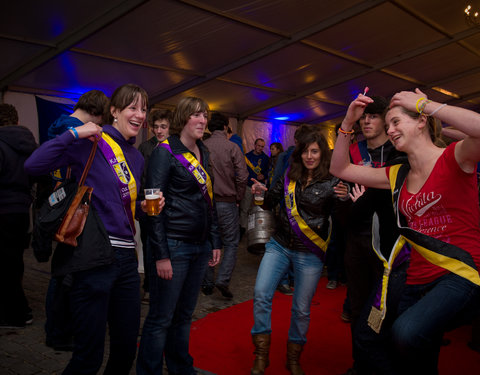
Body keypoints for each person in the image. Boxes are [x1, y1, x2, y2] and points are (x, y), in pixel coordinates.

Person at [330, 88, 480, 374]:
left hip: (460, 273)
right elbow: (340, 168)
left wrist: (426, 104)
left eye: (397, 122)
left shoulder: (455, 157)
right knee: (397, 344)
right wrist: (347, 124)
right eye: (388, 125)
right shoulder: (397, 174)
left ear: (421, 121)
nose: (391, 129)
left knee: (406, 333)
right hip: (415, 276)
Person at [25, 83, 164, 375]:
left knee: (126, 349)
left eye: (143, 109)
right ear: (113, 111)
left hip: (127, 261)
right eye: (132, 107)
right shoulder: (91, 141)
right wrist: (74, 132)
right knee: (89, 356)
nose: (139, 115)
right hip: (93, 258)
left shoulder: (137, 156)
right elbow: (33, 165)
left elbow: (129, 208)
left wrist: (149, 207)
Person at [250, 127, 348, 375]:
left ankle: (293, 358)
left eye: (314, 151)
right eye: (305, 151)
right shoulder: (288, 175)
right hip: (279, 245)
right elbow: (271, 202)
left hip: (310, 253)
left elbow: (343, 220)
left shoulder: (332, 181)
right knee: (261, 294)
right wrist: (261, 193)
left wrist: (345, 200)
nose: (310, 156)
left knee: (301, 309)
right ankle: (261, 354)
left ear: (322, 153)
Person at [137, 97, 222, 375]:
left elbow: (209, 200)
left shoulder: (203, 151)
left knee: (184, 316)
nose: (202, 121)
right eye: (197, 115)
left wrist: (215, 240)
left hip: (199, 246)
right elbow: (152, 207)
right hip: (173, 245)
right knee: (161, 318)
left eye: (205, 116)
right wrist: (160, 254)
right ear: (184, 118)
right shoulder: (165, 152)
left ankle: (180, 367)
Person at [44, 89, 108, 350]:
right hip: (74, 206)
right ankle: (59, 333)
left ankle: (57, 330)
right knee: (66, 276)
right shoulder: (77, 131)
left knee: (62, 272)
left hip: (59, 201)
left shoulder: (60, 124)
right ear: (97, 112)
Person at [202, 112, 248, 299]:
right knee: (230, 243)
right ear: (225, 127)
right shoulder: (232, 147)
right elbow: (243, 176)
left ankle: (207, 283)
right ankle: (223, 278)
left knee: (207, 241)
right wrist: (238, 196)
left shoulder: (201, 146)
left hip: (205, 203)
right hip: (227, 202)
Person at [0, 103, 37, 328]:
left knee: (5, 263)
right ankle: (18, 310)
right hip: (23, 210)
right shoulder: (29, 144)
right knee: (14, 261)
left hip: (2, 210)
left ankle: (15, 313)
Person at [137, 109, 172, 304]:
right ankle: (149, 287)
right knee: (149, 248)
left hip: (169, 207)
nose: (159, 131)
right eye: (156, 127)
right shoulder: (145, 147)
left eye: (163, 127)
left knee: (166, 247)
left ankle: (165, 285)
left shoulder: (175, 148)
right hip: (148, 205)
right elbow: (140, 177)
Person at [240, 138, 269, 236]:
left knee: (257, 208)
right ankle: (243, 228)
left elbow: (268, 171)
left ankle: (255, 230)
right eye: (259, 145)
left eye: (262, 146)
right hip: (248, 186)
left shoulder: (265, 158)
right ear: (255, 145)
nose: (260, 148)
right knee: (245, 208)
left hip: (259, 187)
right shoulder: (247, 156)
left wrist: (264, 175)